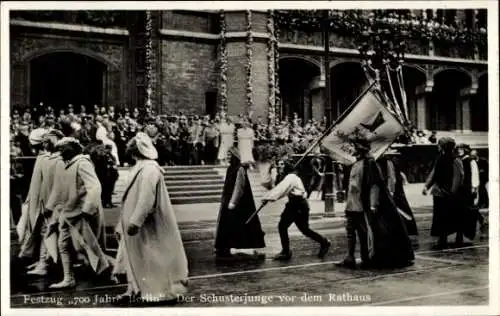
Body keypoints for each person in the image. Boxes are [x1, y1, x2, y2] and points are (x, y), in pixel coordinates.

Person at [112, 133, 189, 305]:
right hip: (133, 222)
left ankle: (158, 292)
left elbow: (146, 198)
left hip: (147, 224)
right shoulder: (139, 169)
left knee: (151, 256)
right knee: (133, 256)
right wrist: (121, 223)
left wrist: (135, 221)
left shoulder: (149, 170)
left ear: (133, 152)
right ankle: (133, 289)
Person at [336, 138, 414, 269]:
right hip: (352, 203)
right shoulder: (355, 163)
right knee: (350, 230)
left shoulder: (370, 163)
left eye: (354, 147)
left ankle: (367, 258)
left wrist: (373, 204)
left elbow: (375, 185)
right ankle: (350, 257)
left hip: (362, 205)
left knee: (365, 233)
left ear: (360, 149)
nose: (351, 149)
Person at [49, 137, 111, 289]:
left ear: (72, 148)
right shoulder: (66, 165)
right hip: (68, 212)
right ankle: (68, 278)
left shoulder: (82, 163)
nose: (60, 152)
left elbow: (94, 187)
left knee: (88, 246)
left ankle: (113, 271)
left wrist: (88, 209)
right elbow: (60, 189)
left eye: (63, 148)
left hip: (81, 213)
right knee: (64, 244)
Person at [262, 158, 331, 261]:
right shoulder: (286, 177)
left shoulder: (291, 177)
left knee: (285, 227)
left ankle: (286, 251)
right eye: (278, 164)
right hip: (294, 204)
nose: (279, 166)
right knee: (302, 229)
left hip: (298, 204)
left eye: (282, 164)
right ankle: (323, 241)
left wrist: (268, 198)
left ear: (287, 166)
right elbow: (273, 187)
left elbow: (280, 190)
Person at [25, 129, 65, 276]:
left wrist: (48, 204)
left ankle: (45, 263)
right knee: (44, 231)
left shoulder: (54, 160)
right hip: (44, 201)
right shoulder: (45, 158)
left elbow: (54, 184)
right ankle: (43, 261)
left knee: (48, 231)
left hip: (51, 202)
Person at [214, 147, 266, 259]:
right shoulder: (231, 168)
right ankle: (225, 246)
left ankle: (231, 245)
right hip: (228, 200)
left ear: (234, 156)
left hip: (239, 204)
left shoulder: (240, 169)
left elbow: (239, 187)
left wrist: (233, 202)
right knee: (227, 224)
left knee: (237, 224)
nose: (228, 157)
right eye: (227, 155)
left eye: (229, 155)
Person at [423, 137, 464, 250]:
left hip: (449, 193)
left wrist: (452, 191)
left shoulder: (455, 160)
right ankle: (442, 239)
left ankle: (456, 237)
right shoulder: (439, 158)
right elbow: (434, 173)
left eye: (440, 144)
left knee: (452, 216)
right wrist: (427, 186)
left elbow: (458, 177)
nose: (438, 146)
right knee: (440, 217)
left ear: (444, 146)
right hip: (439, 192)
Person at [377, 150, 418, 237]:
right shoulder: (382, 162)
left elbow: (391, 178)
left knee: (401, 208)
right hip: (393, 190)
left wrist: (391, 191)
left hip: (394, 191)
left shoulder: (387, 162)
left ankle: (407, 228)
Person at [455, 144, 481, 246]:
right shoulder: (457, 160)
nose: (459, 151)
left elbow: (475, 175)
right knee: (459, 213)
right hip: (459, 190)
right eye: (458, 149)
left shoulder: (471, 161)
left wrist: (474, 188)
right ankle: (459, 234)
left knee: (467, 213)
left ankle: (465, 234)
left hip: (467, 190)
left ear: (466, 150)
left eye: (461, 149)